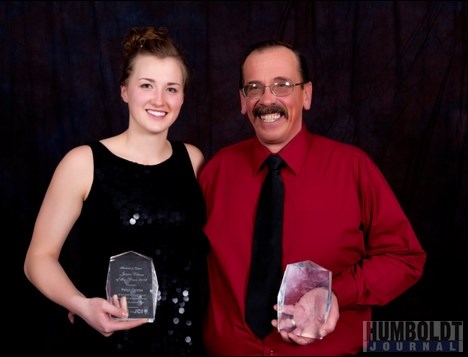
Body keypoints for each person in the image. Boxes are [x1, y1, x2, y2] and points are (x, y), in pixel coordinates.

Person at [197, 39, 427, 355]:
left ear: (306, 95)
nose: (267, 100)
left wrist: (335, 293)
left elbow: (405, 258)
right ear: (242, 100)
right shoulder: (215, 172)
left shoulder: (353, 168)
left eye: (282, 86)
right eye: (254, 88)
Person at [24, 26, 209, 356]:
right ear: (125, 90)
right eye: (146, 86)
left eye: (172, 89)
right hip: (111, 340)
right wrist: (80, 305)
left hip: (185, 340)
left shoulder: (193, 160)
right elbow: (38, 258)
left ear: (183, 96)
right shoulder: (83, 162)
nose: (159, 100)